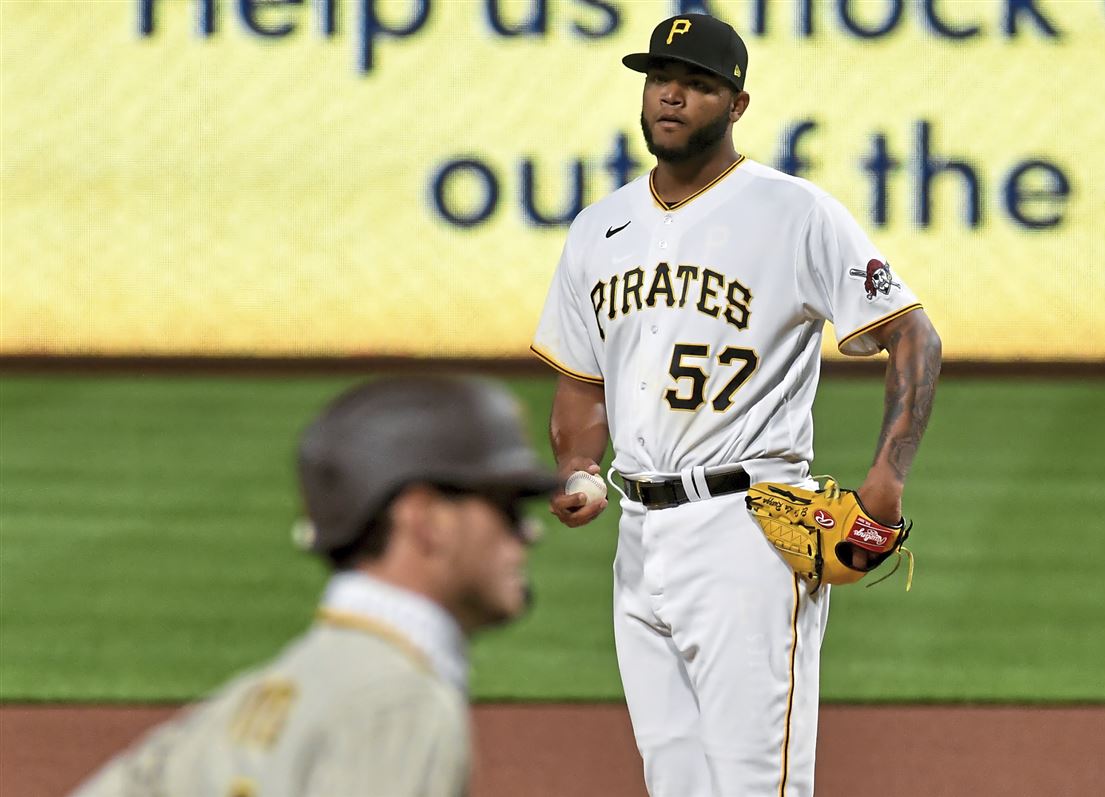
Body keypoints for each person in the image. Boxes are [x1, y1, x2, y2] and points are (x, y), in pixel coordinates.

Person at [531, 13, 942, 797]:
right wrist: (578, 464)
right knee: (676, 782)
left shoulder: (795, 212)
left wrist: (886, 480)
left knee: (759, 786)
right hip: (638, 539)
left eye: (697, 84)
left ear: (738, 104)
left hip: (745, 532)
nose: (672, 96)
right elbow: (582, 379)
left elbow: (914, 337)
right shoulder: (598, 228)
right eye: (660, 79)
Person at [69, 376, 557, 797]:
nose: (527, 533)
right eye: (507, 508)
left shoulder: (262, 694)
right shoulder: (399, 705)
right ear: (423, 518)